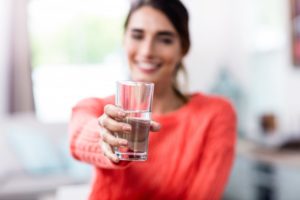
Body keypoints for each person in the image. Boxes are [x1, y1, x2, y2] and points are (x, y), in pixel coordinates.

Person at [69, 0, 236, 199]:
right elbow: (79, 134)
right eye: (137, 36)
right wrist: (107, 137)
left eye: (164, 39)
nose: (147, 51)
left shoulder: (215, 113)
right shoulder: (99, 109)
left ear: (183, 48)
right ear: (124, 41)